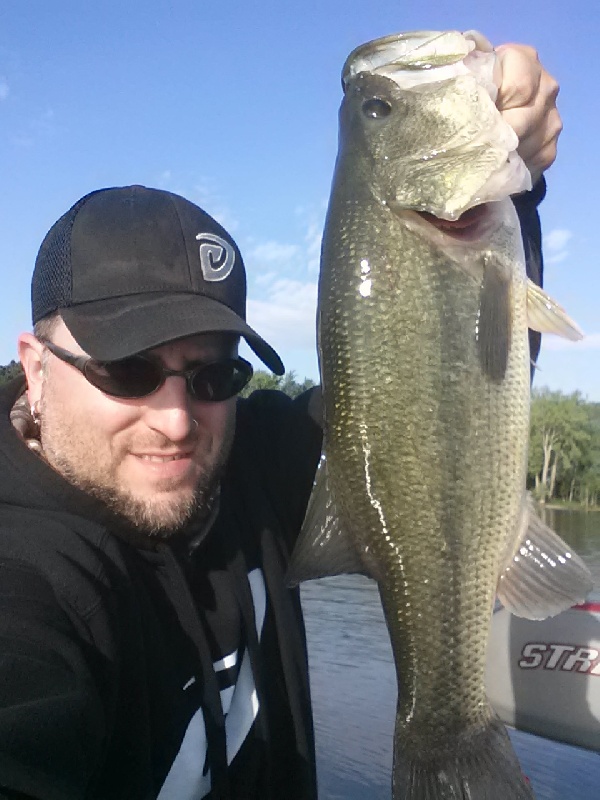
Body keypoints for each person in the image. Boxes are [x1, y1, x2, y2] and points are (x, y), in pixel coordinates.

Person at [0, 42, 561, 800]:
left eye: (213, 374)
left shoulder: (253, 463)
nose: (175, 419)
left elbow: (459, 387)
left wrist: (515, 193)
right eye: (124, 369)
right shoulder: (26, 584)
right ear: (35, 366)